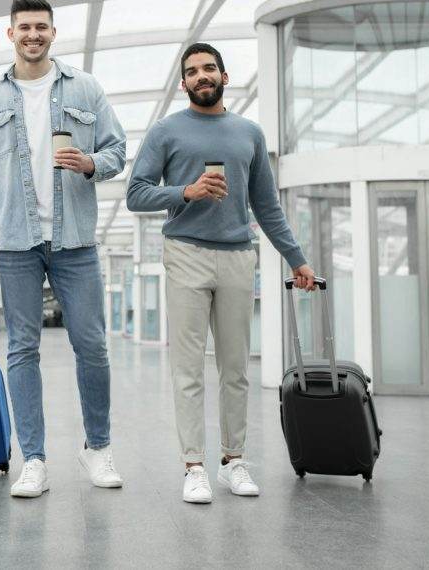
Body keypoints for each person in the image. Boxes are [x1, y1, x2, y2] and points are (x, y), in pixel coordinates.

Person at [0, 0, 127, 498]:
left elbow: (117, 150)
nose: (33, 35)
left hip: (75, 239)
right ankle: (34, 458)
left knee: (93, 346)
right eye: (25, 27)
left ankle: (97, 447)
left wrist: (89, 163)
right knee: (22, 349)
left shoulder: (86, 88)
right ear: (10, 34)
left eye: (41, 27)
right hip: (15, 240)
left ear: (53, 33)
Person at [126, 42, 316, 504]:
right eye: (192, 72)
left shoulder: (249, 133)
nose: (201, 76)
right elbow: (135, 194)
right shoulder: (165, 132)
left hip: (237, 256)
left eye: (209, 68)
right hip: (185, 252)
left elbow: (267, 207)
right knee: (188, 368)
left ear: (224, 77)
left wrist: (297, 258)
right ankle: (194, 466)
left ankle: (234, 461)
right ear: (183, 83)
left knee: (236, 368)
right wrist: (185, 192)